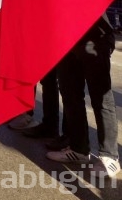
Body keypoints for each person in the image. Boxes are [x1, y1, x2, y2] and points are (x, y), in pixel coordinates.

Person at [47, 14, 120, 178]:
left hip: (94, 35)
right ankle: (78, 149)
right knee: (70, 95)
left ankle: (109, 156)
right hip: (66, 36)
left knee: (101, 98)